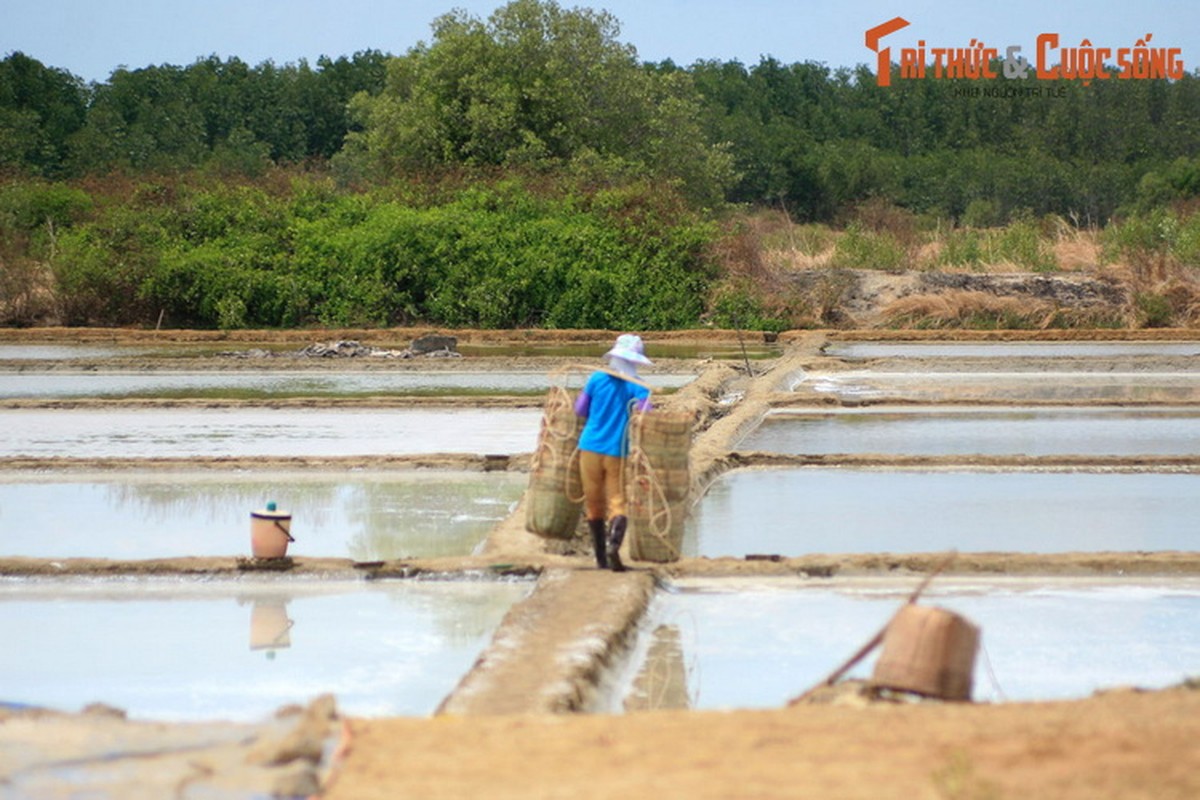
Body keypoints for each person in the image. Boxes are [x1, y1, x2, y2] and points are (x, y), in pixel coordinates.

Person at [574, 333, 653, 572]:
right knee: (618, 501)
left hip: (589, 447)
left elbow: (579, 410)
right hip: (617, 450)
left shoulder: (596, 379)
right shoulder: (638, 387)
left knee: (594, 503)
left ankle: (600, 560)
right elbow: (645, 414)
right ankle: (613, 547)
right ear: (635, 360)